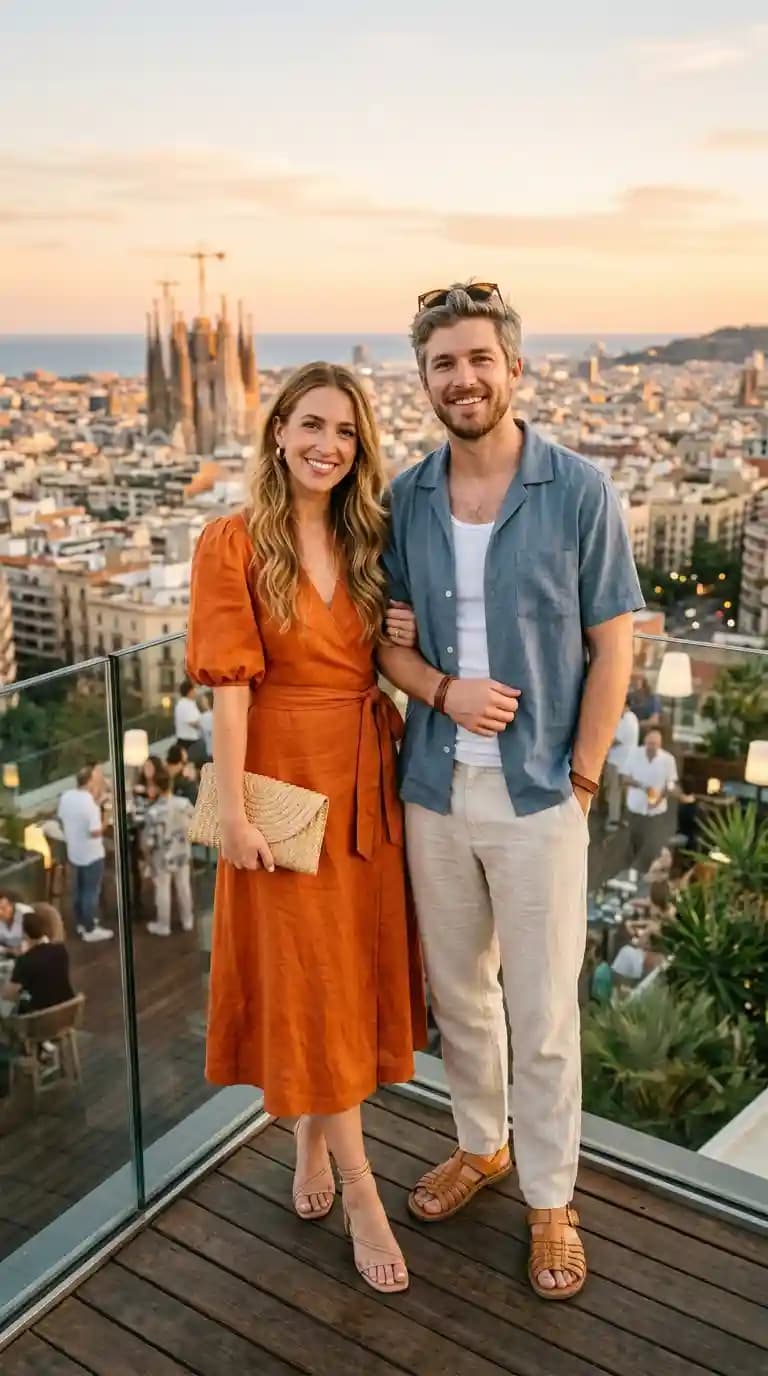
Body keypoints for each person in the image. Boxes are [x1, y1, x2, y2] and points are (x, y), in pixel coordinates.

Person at [378, 282, 644, 1301]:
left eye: (478, 358)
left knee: (540, 1009)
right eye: (443, 363)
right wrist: (439, 686)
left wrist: (582, 778)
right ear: (424, 380)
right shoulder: (406, 497)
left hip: (539, 794)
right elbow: (385, 647)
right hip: (435, 787)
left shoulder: (577, 490)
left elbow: (614, 645)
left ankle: (551, 1198)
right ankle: (482, 1144)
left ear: (514, 368)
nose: (463, 378)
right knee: (459, 995)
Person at [185, 361, 427, 1295]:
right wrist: (235, 809)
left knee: (344, 981)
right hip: (284, 786)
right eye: (313, 425)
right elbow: (230, 692)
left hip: (367, 782)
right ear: (279, 430)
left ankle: (313, 1145)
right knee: (312, 981)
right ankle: (363, 1191)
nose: (329, 445)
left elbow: (389, 653)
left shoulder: (371, 537)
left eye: (347, 432)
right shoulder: (233, 542)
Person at [57, 765, 113, 942]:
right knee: (91, 892)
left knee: (79, 890)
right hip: (92, 854)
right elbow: (95, 832)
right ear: (89, 782)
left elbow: (63, 818)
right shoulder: (89, 805)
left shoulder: (66, 797)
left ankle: (81, 922)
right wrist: (107, 815)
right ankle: (90, 929)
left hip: (74, 852)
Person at [142, 765, 195, 936]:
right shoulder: (184, 804)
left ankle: (163, 925)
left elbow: (148, 841)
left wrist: (147, 857)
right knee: (184, 887)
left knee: (162, 889)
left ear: (156, 787)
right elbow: (195, 822)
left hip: (162, 856)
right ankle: (187, 920)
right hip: (182, 852)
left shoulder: (153, 812)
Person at [2, 907, 75, 1014]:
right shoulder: (60, 949)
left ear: (24, 935)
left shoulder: (25, 961)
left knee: (5, 1006)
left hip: (40, 1016)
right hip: (68, 1010)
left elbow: (8, 995)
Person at [624, 729, 678, 872]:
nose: (651, 747)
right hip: (635, 807)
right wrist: (643, 786)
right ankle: (632, 870)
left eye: (654, 744)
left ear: (660, 745)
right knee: (634, 840)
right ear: (645, 742)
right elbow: (625, 778)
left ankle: (647, 871)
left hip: (656, 811)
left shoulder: (668, 760)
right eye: (649, 743)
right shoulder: (634, 754)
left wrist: (658, 799)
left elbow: (670, 785)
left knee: (652, 843)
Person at [603, 699, 639, 831]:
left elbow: (615, 740)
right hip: (625, 762)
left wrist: (601, 746)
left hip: (618, 762)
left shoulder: (627, 720)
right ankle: (621, 819)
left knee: (614, 792)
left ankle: (613, 821)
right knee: (621, 792)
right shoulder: (631, 718)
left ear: (625, 705)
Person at [174, 679, 206, 765]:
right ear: (190, 691)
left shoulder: (185, 703)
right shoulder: (186, 704)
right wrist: (204, 725)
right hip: (189, 742)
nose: (195, 692)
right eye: (194, 689)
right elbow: (192, 722)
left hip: (187, 741)